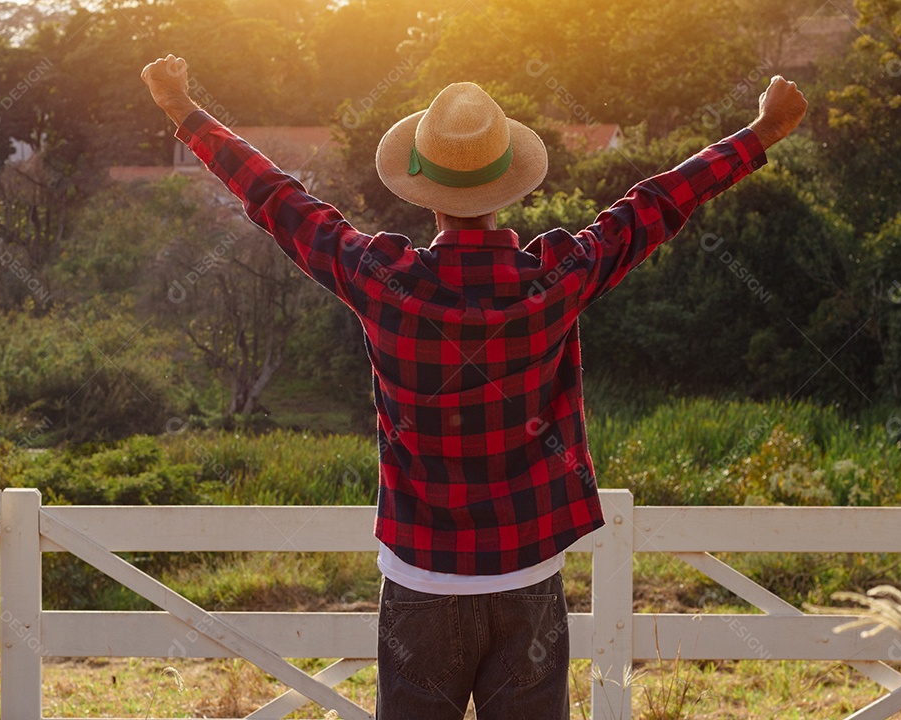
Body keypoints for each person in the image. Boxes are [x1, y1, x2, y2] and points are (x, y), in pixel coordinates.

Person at [142, 55, 807, 720]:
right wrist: (760, 133)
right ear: (507, 188)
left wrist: (183, 109)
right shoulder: (554, 279)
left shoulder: (381, 279)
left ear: (423, 189)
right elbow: (654, 205)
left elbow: (280, 200)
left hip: (419, 584)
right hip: (527, 578)